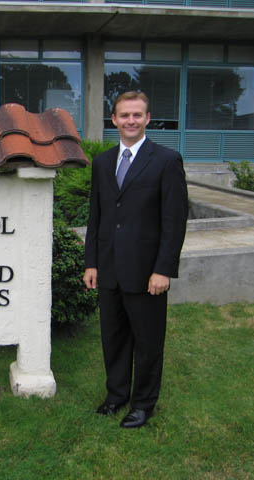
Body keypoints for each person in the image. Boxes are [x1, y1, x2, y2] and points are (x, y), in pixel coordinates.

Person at [83, 91, 188, 428]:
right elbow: (97, 217)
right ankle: (116, 396)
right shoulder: (102, 162)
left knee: (147, 341)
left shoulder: (166, 160)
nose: (130, 121)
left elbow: (174, 220)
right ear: (113, 120)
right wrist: (92, 263)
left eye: (137, 115)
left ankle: (143, 404)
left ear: (147, 118)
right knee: (113, 338)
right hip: (109, 269)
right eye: (124, 115)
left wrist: (163, 269)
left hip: (147, 273)